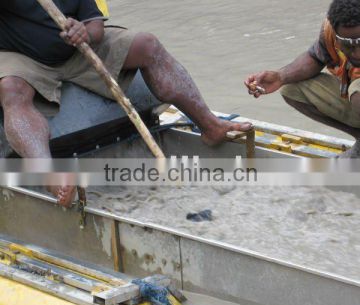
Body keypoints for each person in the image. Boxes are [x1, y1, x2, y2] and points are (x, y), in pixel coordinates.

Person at [0, 0, 252, 207]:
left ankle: (210, 126)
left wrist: (83, 32)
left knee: (147, 44)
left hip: (78, 51)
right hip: (22, 57)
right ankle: (52, 178)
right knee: (10, 89)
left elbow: (95, 25)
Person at [245, 0, 360, 158]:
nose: (357, 54)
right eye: (349, 46)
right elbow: (316, 57)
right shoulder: (330, 31)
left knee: (357, 92)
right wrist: (280, 76)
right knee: (292, 88)